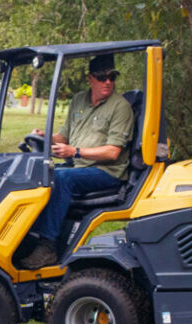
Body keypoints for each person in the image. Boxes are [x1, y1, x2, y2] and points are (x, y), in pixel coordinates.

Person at [19, 53, 134, 269]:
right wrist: (45, 137)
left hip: (107, 173)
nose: (108, 82)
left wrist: (75, 152)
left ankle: (47, 247)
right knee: (38, 174)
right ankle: (27, 237)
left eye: (112, 77)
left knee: (61, 178)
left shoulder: (120, 107)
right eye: (102, 77)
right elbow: (64, 137)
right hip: (80, 166)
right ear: (91, 79)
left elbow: (112, 153)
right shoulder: (79, 100)